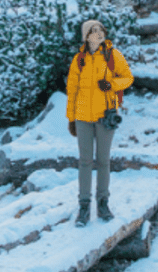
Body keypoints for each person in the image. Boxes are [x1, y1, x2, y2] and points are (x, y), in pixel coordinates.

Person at [65, 18, 133, 226]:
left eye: (101, 30)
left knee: (103, 161)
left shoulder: (113, 56)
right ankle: (84, 206)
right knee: (85, 161)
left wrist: (111, 84)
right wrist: (71, 119)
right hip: (83, 117)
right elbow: (72, 91)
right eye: (93, 31)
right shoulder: (79, 60)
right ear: (86, 36)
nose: (98, 33)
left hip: (106, 116)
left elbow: (128, 78)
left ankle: (103, 203)